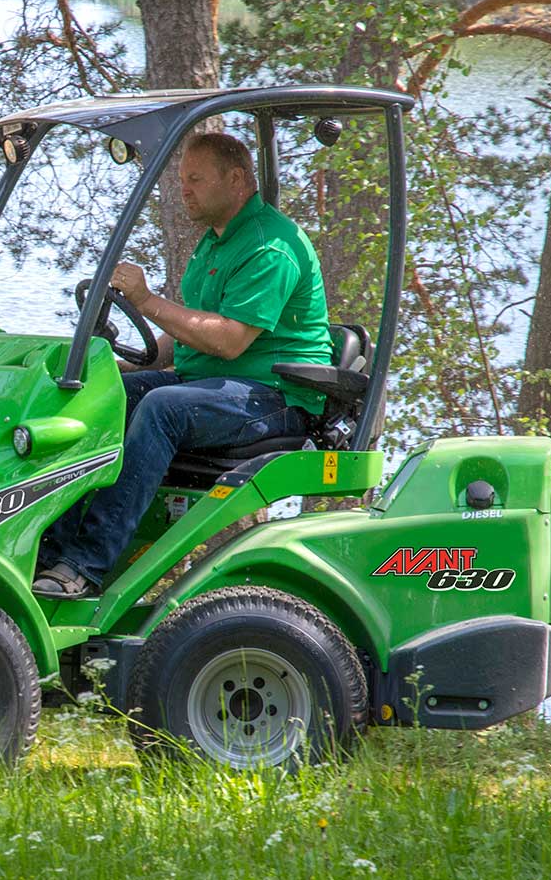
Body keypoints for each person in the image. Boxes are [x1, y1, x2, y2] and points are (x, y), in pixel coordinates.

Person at [33, 132, 331, 599]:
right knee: (99, 392)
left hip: (275, 398)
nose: (183, 190)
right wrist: (129, 369)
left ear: (236, 180)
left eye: (194, 179)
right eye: (181, 180)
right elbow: (193, 326)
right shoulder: (216, 242)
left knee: (162, 407)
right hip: (216, 385)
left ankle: (83, 565)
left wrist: (147, 300)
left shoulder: (269, 246)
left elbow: (230, 340)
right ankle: (46, 551)